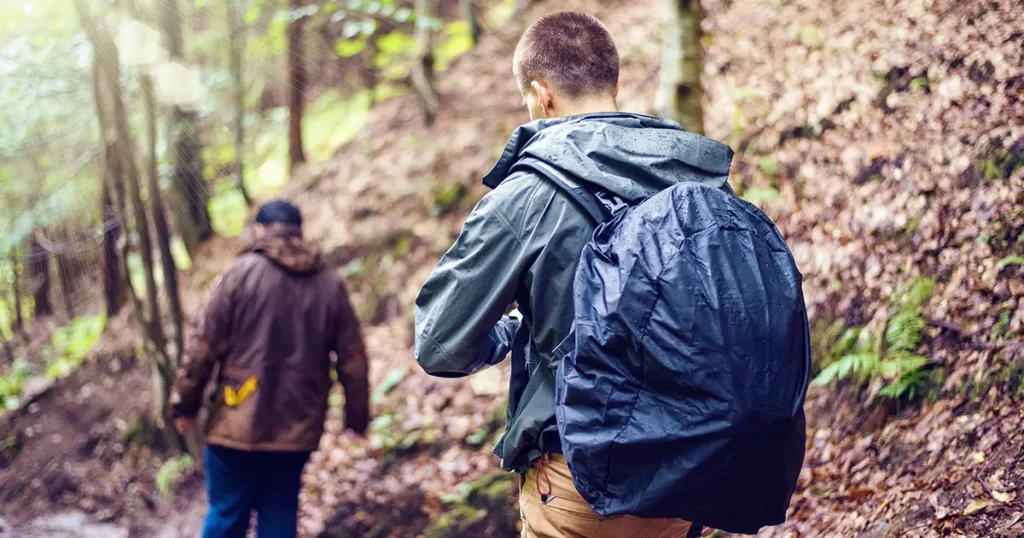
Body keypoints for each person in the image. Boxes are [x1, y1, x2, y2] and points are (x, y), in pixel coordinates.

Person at [414, 12, 735, 538]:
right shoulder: (694, 175)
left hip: (581, 475)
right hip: (690, 468)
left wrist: (512, 332)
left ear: (542, 95)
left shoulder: (527, 195)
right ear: (613, 82)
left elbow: (439, 344)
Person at [170, 200, 369, 538]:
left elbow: (202, 345)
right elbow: (352, 358)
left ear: (261, 230)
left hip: (236, 419)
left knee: (227, 511)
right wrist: (357, 416)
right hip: (297, 425)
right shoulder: (329, 283)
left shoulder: (238, 274)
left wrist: (185, 404)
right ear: (299, 231)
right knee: (279, 510)